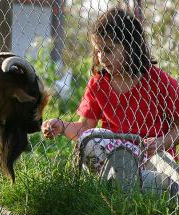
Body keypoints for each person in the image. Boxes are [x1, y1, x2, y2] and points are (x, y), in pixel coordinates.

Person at [42, 8, 179, 195]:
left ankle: (140, 184)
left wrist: (163, 141)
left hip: (150, 155)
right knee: (90, 140)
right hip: (114, 157)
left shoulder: (159, 82)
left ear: (130, 47)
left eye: (108, 49)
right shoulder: (98, 84)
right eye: (98, 50)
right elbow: (85, 130)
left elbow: (177, 128)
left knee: (161, 171)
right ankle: (125, 184)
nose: (101, 57)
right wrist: (62, 126)